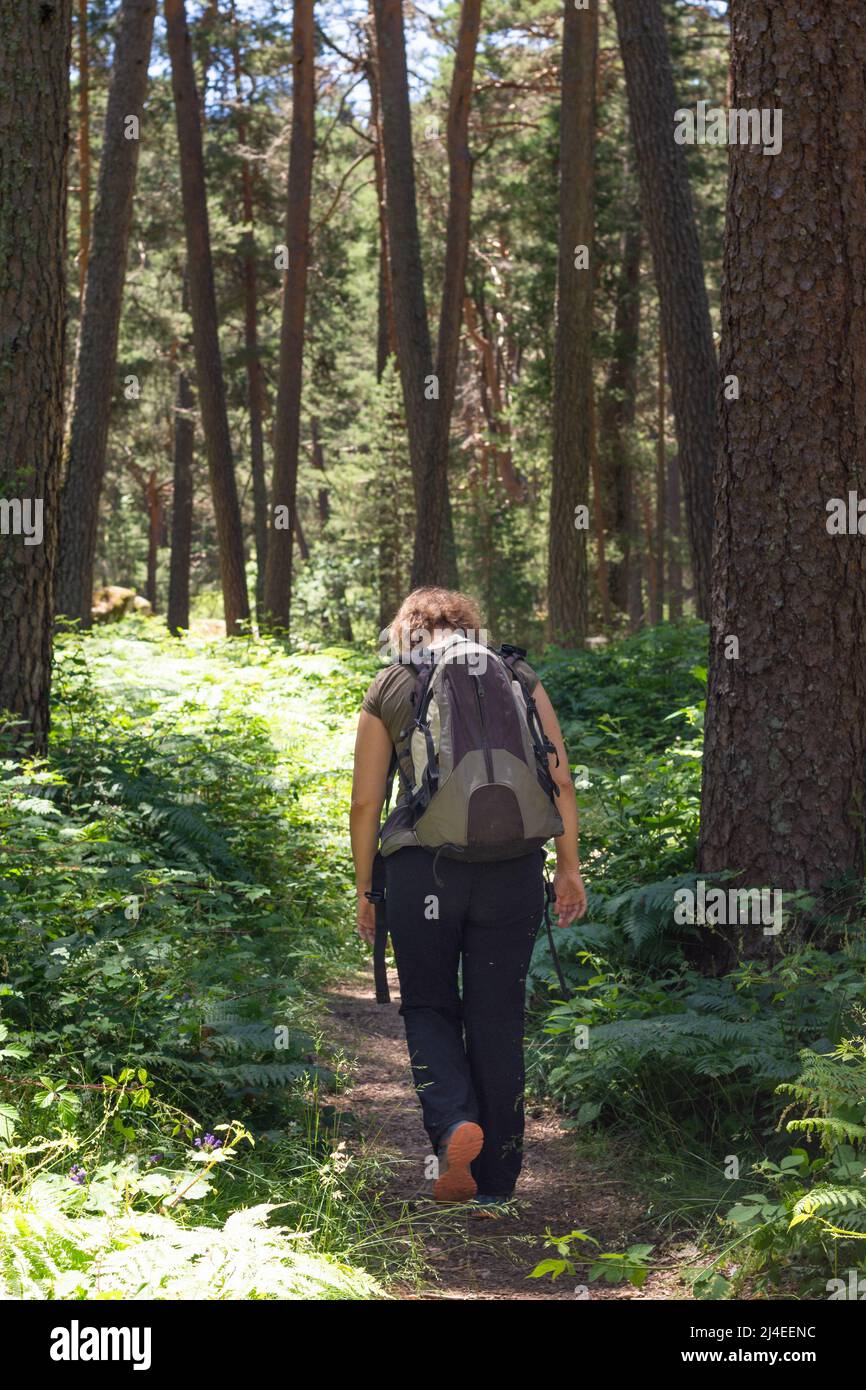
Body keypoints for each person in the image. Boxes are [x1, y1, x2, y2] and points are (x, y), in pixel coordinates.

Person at [350, 587, 587, 1207]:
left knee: (428, 1006)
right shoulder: (516, 674)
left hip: (423, 871)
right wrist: (568, 868)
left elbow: (365, 803)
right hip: (511, 870)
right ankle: (499, 1180)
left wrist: (365, 887)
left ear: (405, 631)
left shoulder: (391, 685)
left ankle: (453, 1125)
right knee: (498, 1015)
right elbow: (558, 776)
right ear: (469, 626)